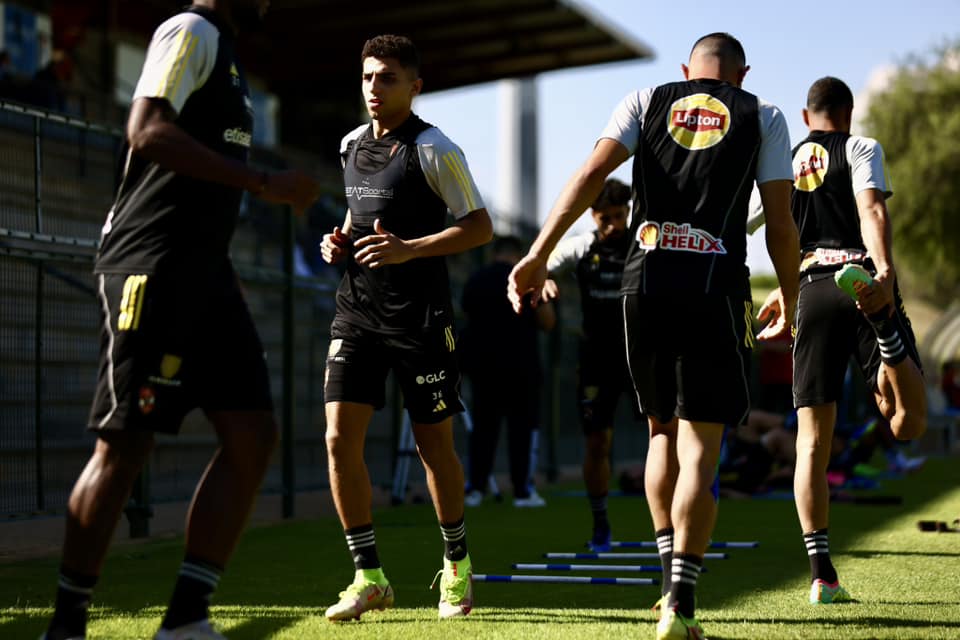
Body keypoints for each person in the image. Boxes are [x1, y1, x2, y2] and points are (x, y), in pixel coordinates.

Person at [40, 2, 321, 640]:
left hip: (208, 274)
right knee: (125, 446)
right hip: (152, 263)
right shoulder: (189, 30)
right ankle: (66, 625)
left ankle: (187, 618)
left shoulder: (230, 57)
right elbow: (146, 131)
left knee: (253, 435)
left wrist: (224, 263)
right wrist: (261, 181)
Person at [508, 33, 800, 639]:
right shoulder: (764, 115)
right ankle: (681, 601)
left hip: (643, 287)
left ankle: (666, 580)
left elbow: (592, 173)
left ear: (686, 69)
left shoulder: (644, 99)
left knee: (660, 433)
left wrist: (536, 254)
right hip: (716, 287)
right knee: (701, 448)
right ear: (742, 74)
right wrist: (791, 296)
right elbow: (780, 222)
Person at [318, 34, 492, 622]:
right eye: (368, 76)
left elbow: (480, 227)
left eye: (388, 77)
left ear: (415, 87)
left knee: (432, 447)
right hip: (356, 312)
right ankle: (368, 576)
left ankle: (457, 563)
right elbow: (358, 215)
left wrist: (408, 249)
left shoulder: (435, 149)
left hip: (420, 318)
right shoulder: (349, 144)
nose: (374, 87)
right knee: (338, 439)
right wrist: (338, 240)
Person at [756, 76, 926, 604]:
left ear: (806, 118)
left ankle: (821, 575)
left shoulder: (786, 159)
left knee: (811, 442)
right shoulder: (860, 147)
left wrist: (785, 291)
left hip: (811, 290)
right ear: (848, 114)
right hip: (859, 280)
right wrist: (884, 273)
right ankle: (886, 332)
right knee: (906, 423)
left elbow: (771, 226)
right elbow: (871, 209)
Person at [540, 177, 637, 549]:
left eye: (619, 215)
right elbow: (539, 264)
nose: (612, 225)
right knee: (597, 443)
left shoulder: (644, 242)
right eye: (604, 218)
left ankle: (676, 529)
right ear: (593, 216)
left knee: (665, 436)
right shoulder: (582, 246)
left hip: (642, 356)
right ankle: (600, 525)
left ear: (628, 211)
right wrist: (543, 280)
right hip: (596, 360)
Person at [461, 235, 555, 508]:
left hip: (484, 368)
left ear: (494, 253)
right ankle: (522, 491)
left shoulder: (476, 279)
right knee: (523, 432)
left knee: (483, 431)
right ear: (519, 255)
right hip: (522, 367)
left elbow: (467, 315)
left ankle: (475, 489)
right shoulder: (527, 279)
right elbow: (547, 322)